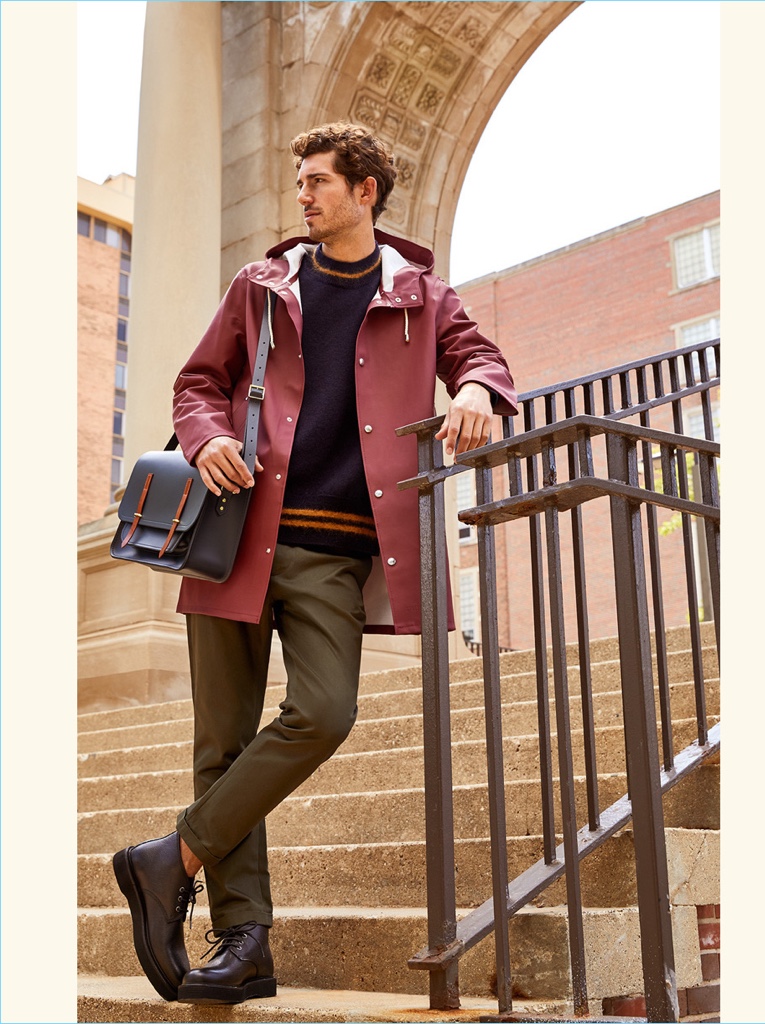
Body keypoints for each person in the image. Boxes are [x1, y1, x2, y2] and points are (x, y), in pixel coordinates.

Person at [113, 121, 517, 1006]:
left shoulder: (423, 296)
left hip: (334, 554)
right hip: (231, 540)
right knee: (221, 743)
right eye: (301, 181)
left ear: (365, 192)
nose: (304, 195)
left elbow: (479, 356)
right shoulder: (261, 285)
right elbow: (196, 383)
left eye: (320, 181)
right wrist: (209, 435)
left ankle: (168, 857)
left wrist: (481, 390)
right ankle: (243, 939)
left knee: (324, 712)